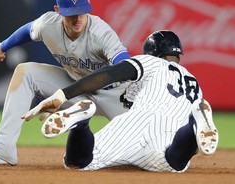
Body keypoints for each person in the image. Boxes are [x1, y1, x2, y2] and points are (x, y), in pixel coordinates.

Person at [0, 0, 130, 166]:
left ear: (88, 6)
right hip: (76, 89)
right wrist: (2, 47)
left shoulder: (101, 33)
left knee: (142, 152)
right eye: (71, 14)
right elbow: (28, 30)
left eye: (81, 11)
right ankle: (2, 149)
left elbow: (124, 66)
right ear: (58, 10)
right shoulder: (48, 24)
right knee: (26, 71)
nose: (77, 19)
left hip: (115, 94)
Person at [21, 30, 219, 172]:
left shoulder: (150, 61)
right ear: (177, 54)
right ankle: (195, 121)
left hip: (135, 122)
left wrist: (64, 95)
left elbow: (109, 74)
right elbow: (193, 150)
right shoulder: (194, 83)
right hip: (173, 132)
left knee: (80, 162)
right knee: (175, 161)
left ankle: (81, 123)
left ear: (152, 52)